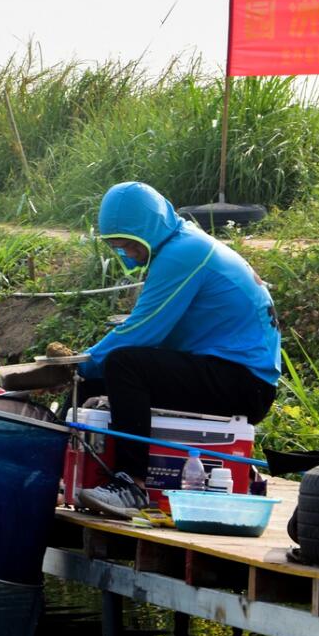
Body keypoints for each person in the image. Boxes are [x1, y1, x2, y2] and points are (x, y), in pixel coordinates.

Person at [74, 182, 281, 517]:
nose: (127, 253)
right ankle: (72, 471)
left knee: (123, 365)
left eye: (129, 244)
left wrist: (81, 362)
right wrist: (86, 372)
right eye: (117, 247)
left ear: (148, 230)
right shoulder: (181, 246)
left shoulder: (182, 254)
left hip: (245, 383)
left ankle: (131, 484)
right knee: (95, 382)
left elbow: (142, 331)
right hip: (226, 370)